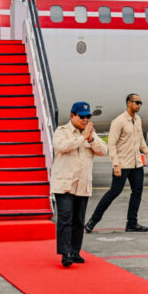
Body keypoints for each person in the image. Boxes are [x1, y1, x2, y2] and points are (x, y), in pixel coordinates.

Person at [50, 102, 107, 267]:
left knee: (78, 220)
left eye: (88, 116)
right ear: (72, 116)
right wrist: (83, 137)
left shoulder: (91, 133)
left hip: (82, 184)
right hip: (65, 183)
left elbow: (103, 150)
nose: (85, 119)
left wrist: (91, 138)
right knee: (65, 218)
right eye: (82, 116)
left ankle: (75, 252)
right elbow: (62, 146)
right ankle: (65, 253)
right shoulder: (62, 131)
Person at [85, 93, 148, 233]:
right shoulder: (118, 121)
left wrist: (146, 151)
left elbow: (140, 138)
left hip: (136, 164)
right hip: (122, 164)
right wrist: (115, 164)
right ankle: (93, 221)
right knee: (114, 192)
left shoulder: (138, 119)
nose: (139, 105)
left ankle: (132, 223)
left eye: (141, 103)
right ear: (129, 103)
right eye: (136, 102)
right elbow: (112, 144)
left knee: (137, 192)